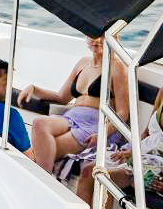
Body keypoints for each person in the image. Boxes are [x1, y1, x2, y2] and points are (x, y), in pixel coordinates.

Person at [77, 46, 163, 207]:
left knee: (105, 177)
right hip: (142, 156)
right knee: (87, 170)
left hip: (161, 167)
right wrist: (131, 152)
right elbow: (147, 133)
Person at [24, 36, 131, 171]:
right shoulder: (83, 63)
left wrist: (102, 134)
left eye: (102, 37)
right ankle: (44, 179)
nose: (96, 40)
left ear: (114, 38)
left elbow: (123, 113)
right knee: (39, 123)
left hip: (96, 123)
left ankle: (43, 182)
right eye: (92, 35)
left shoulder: (117, 67)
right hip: (73, 117)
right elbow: (62, 97)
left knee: (40, 153)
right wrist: (34, 89)